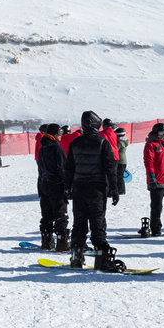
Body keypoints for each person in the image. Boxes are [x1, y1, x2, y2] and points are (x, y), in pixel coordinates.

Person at [64, 111, 120, 271]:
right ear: (95, 125)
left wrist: (67, 187)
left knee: (79, 223)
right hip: (97, 188)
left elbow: (69, 168)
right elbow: (111, 168)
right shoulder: (102, 143)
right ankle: (101, 257)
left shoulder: (75, 143)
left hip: (79, 187)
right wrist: (114, 189)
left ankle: (76, 256)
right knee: (98, 223)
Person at [37, 124, 69, 251]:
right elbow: (62, 169)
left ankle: (46, 241)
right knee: (60, 213)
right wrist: (66, 185)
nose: (61, 136)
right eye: (59, 133)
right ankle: (62, 243)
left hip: (44, 183)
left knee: (47, 213)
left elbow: (40, 169)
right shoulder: (57, 149)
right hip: (56, 185)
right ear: (55, 134)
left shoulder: (42, 148)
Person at [114, 126, 129, 195]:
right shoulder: (124, 141)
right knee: (119, 176)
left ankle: (121, 190)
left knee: (119, 176)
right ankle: (121, 190)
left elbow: (115, 149)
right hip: (123, 161)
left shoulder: (120, 142)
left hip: (120, 161)